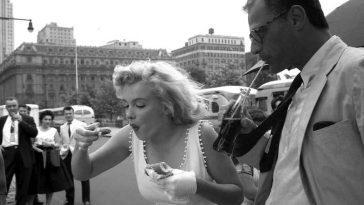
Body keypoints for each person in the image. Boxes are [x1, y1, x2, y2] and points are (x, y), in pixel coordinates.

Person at [231, 0, 364, 204]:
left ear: (296, 18)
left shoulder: (357, 71)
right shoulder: (299, 87)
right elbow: (292, 164)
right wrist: (248, 137)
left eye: (258, 33)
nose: (254, 47)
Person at [71, 61, 244, 205]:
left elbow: (236, 196)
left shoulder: (201, 134)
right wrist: (81, 146)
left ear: (166, 106)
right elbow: (84, 172)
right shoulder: (129, 136)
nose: (129, 113)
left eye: (139, 105)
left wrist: (196, 185)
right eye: (125, 105)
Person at [27, 110, 73, 205]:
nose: (48, 121)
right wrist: (36, 148)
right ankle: (30, 203)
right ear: (41, 120)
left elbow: (59, 144)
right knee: (34, 182)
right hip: (37, 158)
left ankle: (48, 203)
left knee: (50, 182)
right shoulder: (35, 130)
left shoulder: (54, 130)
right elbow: (30, 144)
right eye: (45, 119)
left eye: (50, 119)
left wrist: (50, 144)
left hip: (50, 157)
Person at [0, 97, 38, 205]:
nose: (12, 108)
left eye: (14, 105)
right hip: (7, 154)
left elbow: (34, 133)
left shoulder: (27, 119)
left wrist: (21, 121)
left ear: (17, 106)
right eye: (9, 106)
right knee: (3, 183)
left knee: (23, 184)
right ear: (6, 107)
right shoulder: (1, 120)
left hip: (23, 155)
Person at [59, 106, 91, 205]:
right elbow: (62, 141)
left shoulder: (81, 124)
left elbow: (87, 138)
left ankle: (86, 200)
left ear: (73, 114)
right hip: (66, 155)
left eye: (70, 113)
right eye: (66, 114)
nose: (68, 115)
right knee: (68, 179)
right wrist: (62, 149)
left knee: (84, 176)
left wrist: (85, 151)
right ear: (64, 115)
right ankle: (69, 200)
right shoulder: (62, 127)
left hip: (79, 153)